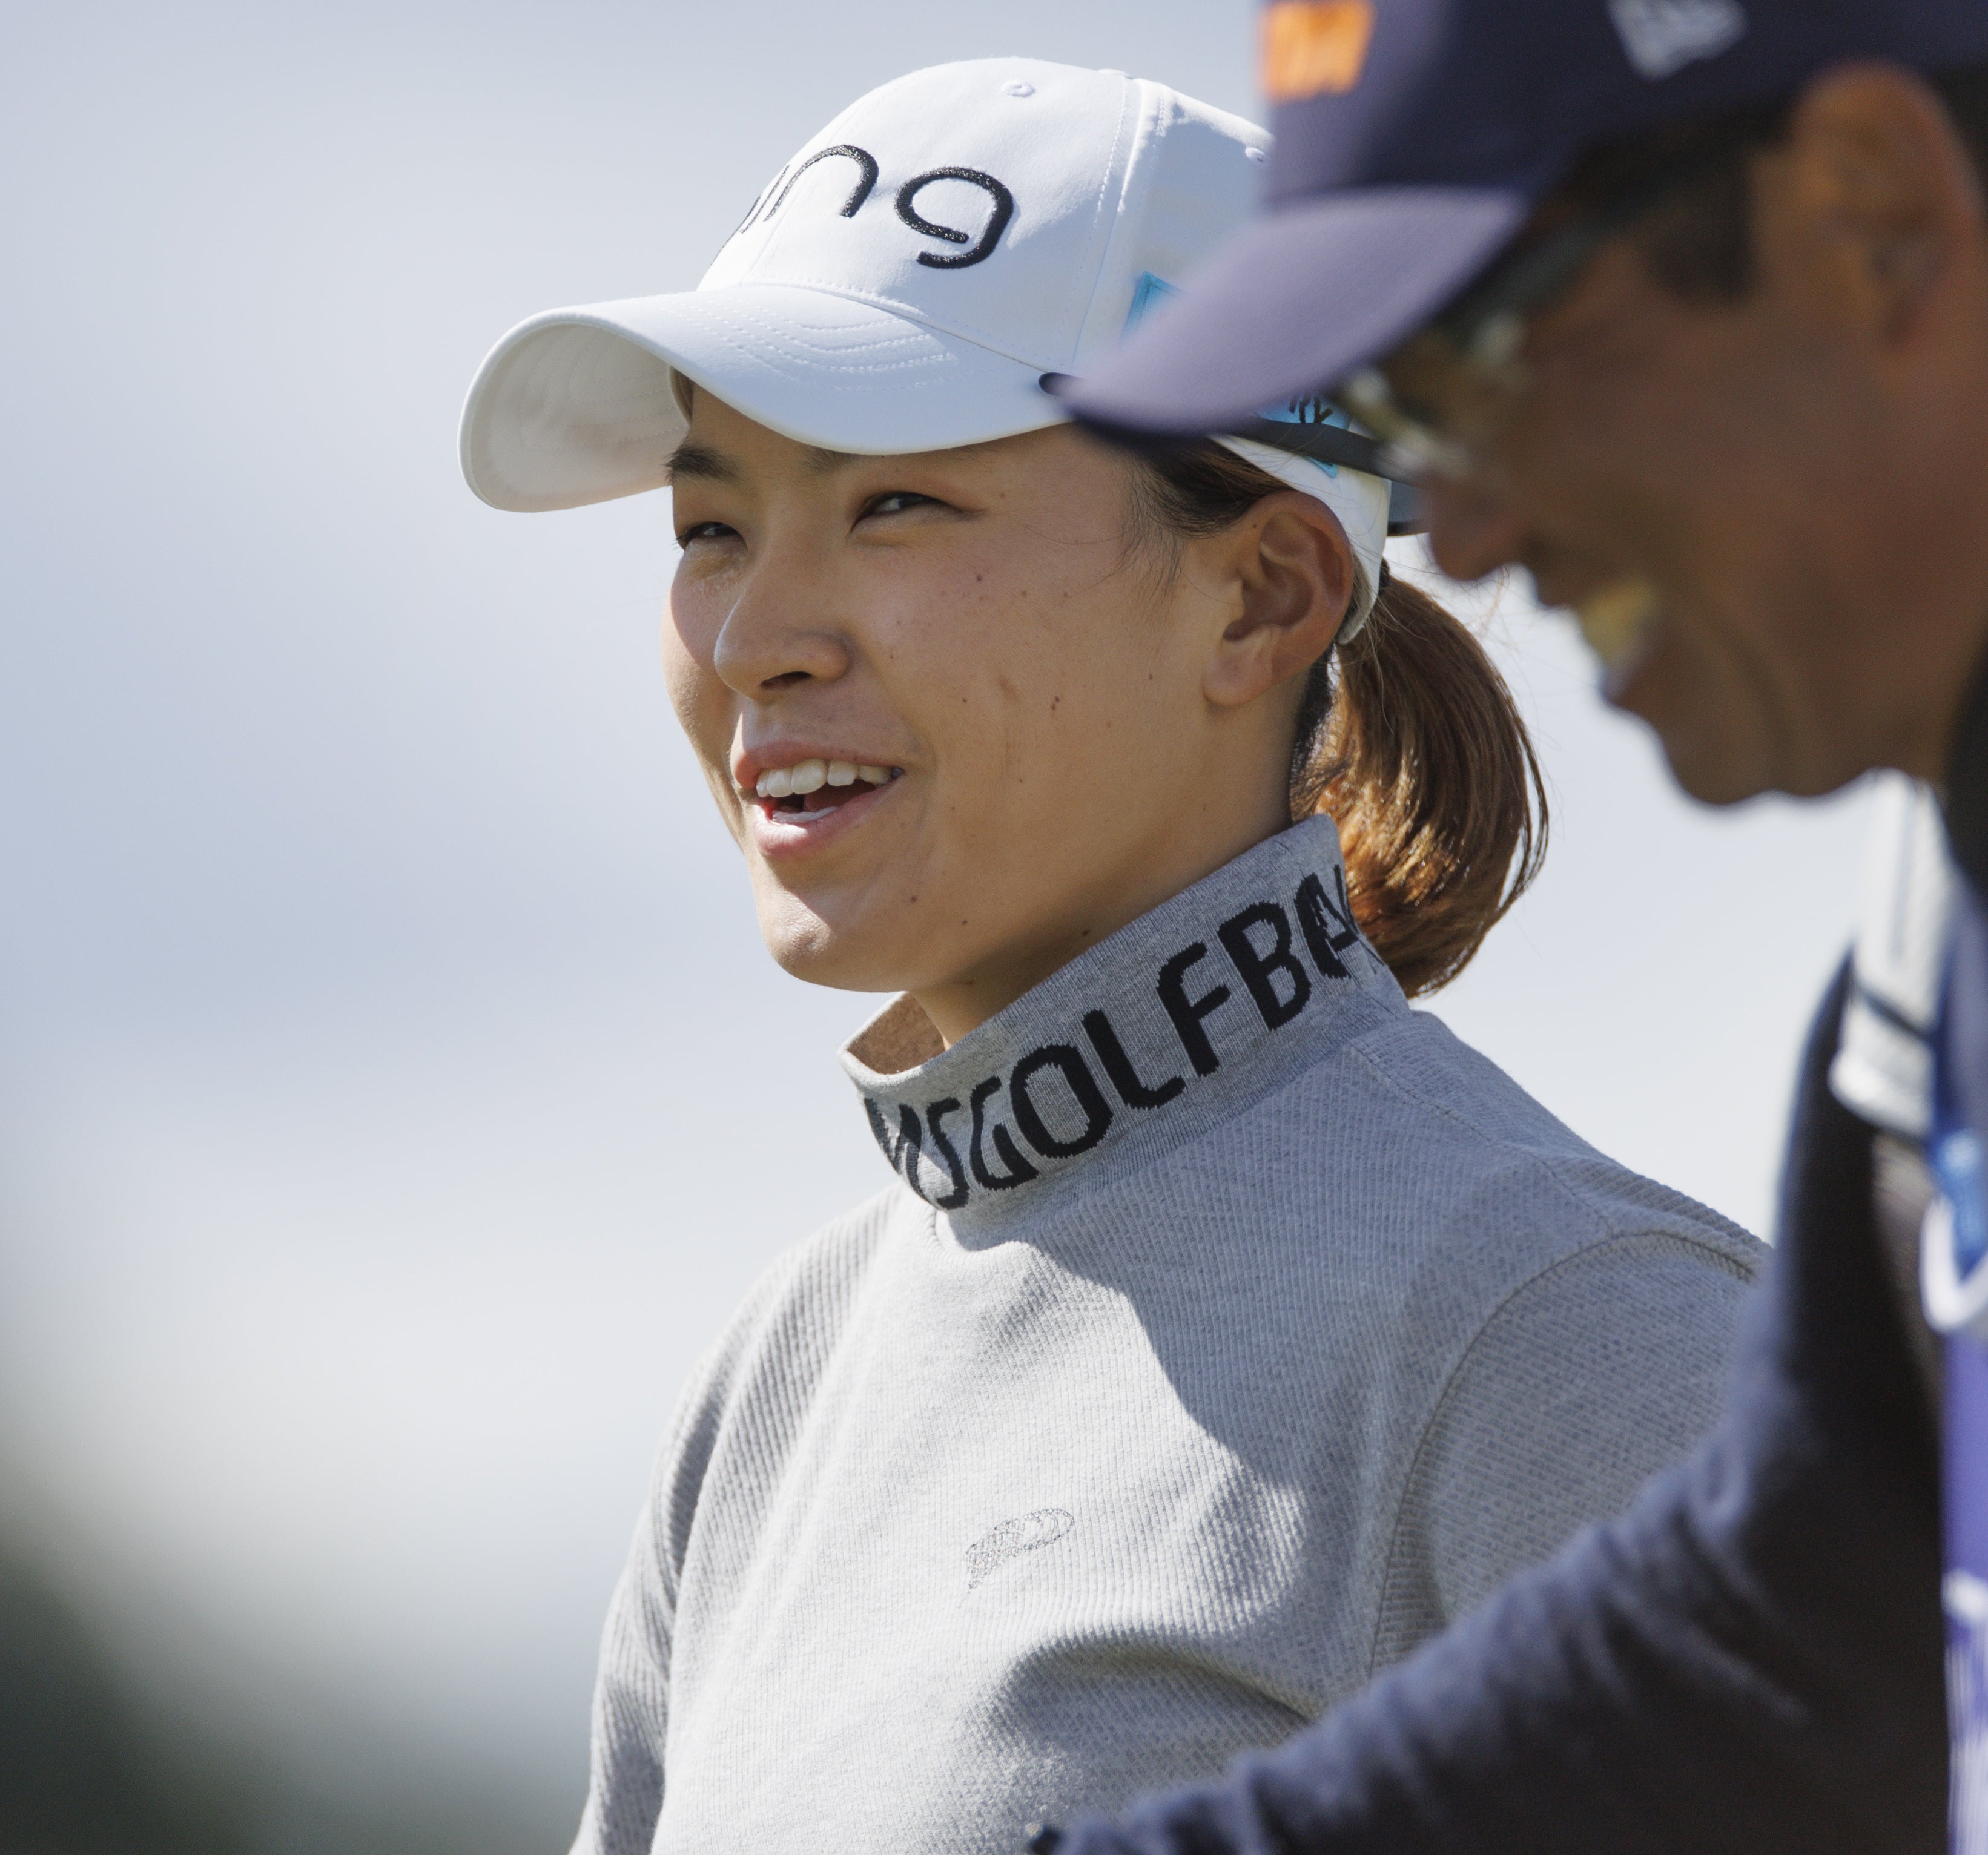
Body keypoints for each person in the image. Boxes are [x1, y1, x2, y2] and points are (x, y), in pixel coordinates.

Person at [1037, 1, 1988, 1852]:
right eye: (1397, 416)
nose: (1458, 528)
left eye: (1481, 352)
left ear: (1874, 211)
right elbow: (1792, 1631)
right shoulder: (1955, 935)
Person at [457, 55, 1765, 1855]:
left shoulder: (1573, 1334)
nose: (755, 636)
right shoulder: (779, 1380)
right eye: (709, 526)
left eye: (898, 503)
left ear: (1263, 594)